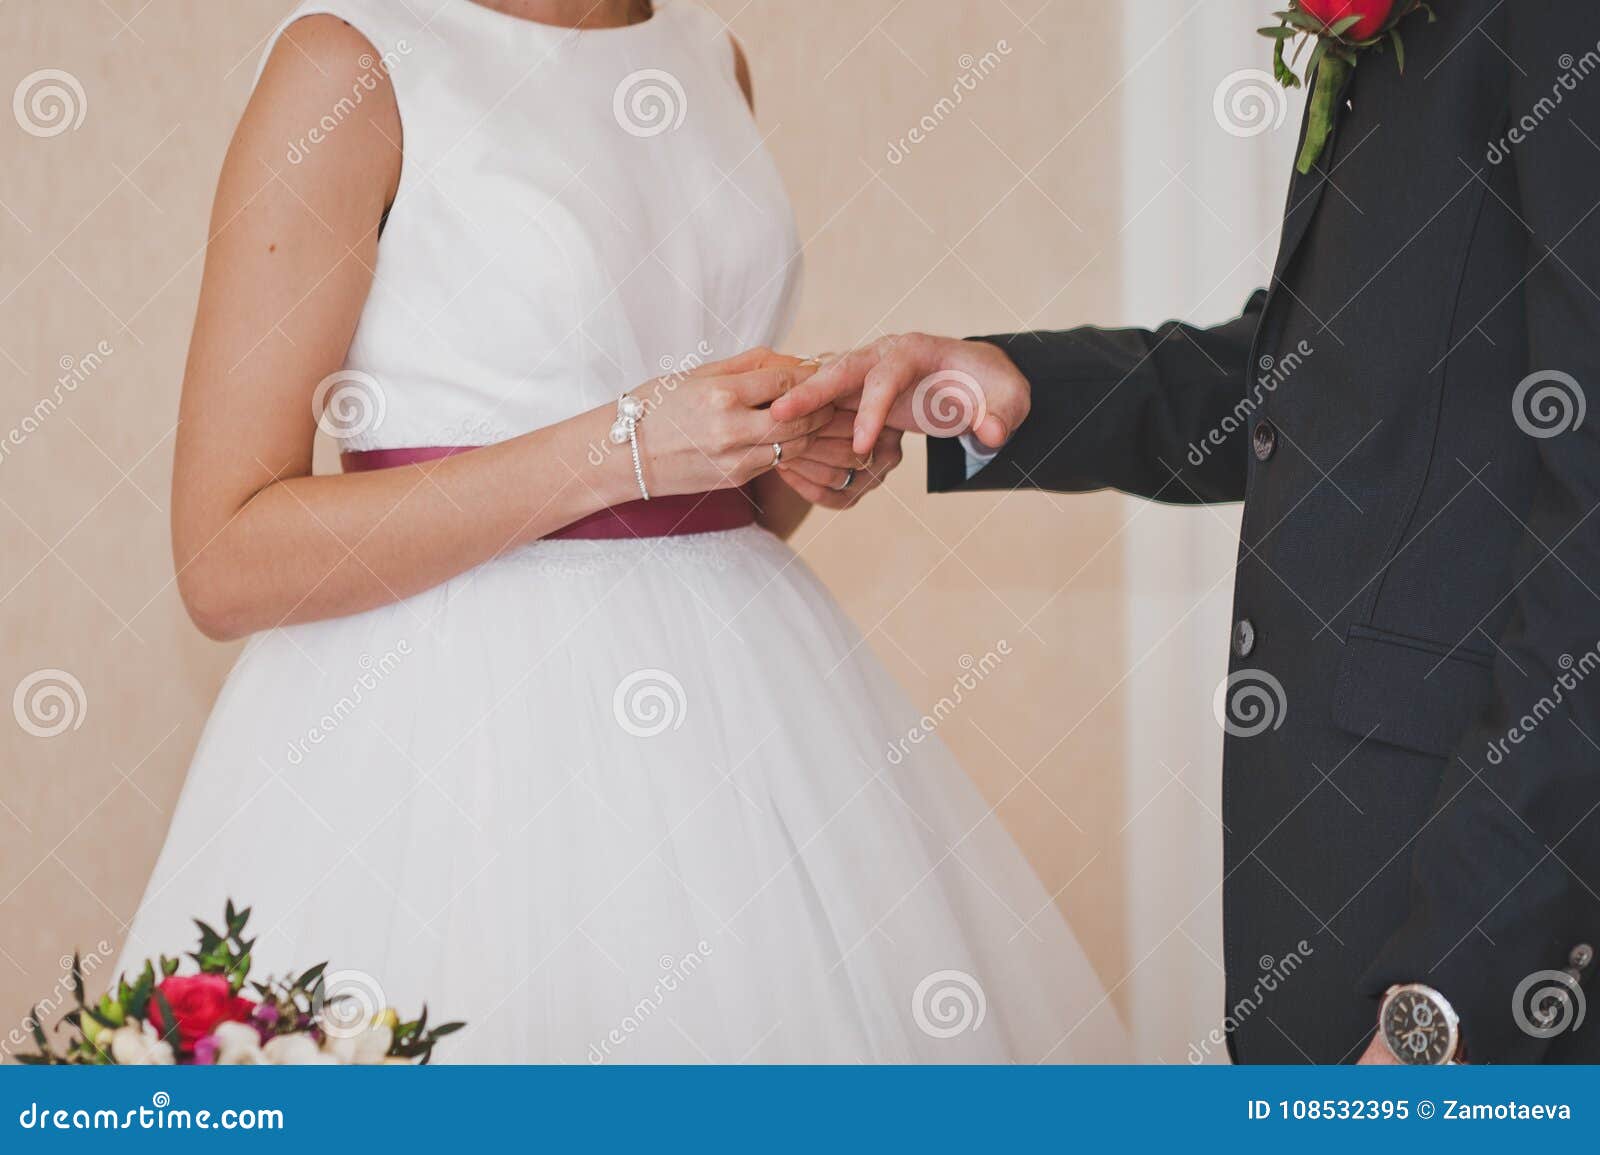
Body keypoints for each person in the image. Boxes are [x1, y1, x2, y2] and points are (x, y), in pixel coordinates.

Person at [118, 0, 1126, 1063]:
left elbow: (682, 517)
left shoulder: (708, 56)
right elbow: (223, 560)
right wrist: (624, 447)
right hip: (439, 734)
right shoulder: (351, 61)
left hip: (751, 721)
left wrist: (794, 445)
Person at [775, 0, 1600, 1064]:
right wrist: (992, 387)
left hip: (1455, 914)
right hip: (1343, 874)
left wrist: (1442, 1003)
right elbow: (1322, 387)